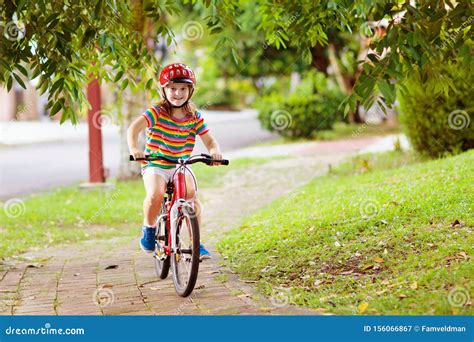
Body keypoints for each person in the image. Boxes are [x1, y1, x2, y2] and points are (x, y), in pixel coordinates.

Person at [127, 63, 223, 260]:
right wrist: (135, 149)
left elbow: (210, 141)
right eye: (172, 88)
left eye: (183, 89)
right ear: (164, 90)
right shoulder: (157, 112)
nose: (177, 93)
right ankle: (149, 226)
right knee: (156, 193)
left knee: (192, 196)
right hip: (156, 164)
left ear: (190, 91)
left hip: (181, 165)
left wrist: (214, 152)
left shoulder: (194, 117)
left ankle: (196, 243)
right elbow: (133, 130)